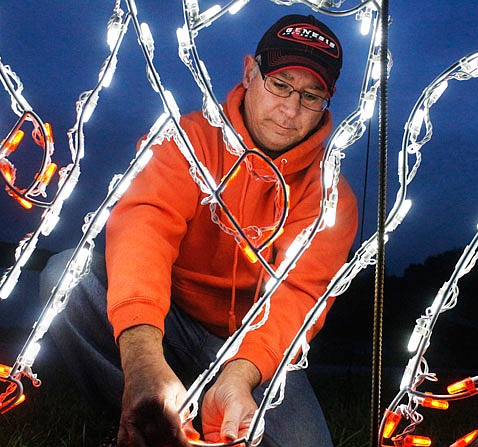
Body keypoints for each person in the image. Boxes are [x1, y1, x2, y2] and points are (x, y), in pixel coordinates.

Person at [41, 13, 358, 447]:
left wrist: (242, 374)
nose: (289, 109)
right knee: (65, 277)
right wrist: (144, 361)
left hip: (251, 343)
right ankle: (148, 418)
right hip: (167, 316)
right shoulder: (183, 139)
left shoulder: (331, 194)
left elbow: (299, 297)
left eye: (310, 95)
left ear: (328, 101)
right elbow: (142, 232)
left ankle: (205, 409)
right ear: (250, 72)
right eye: (279, 85)